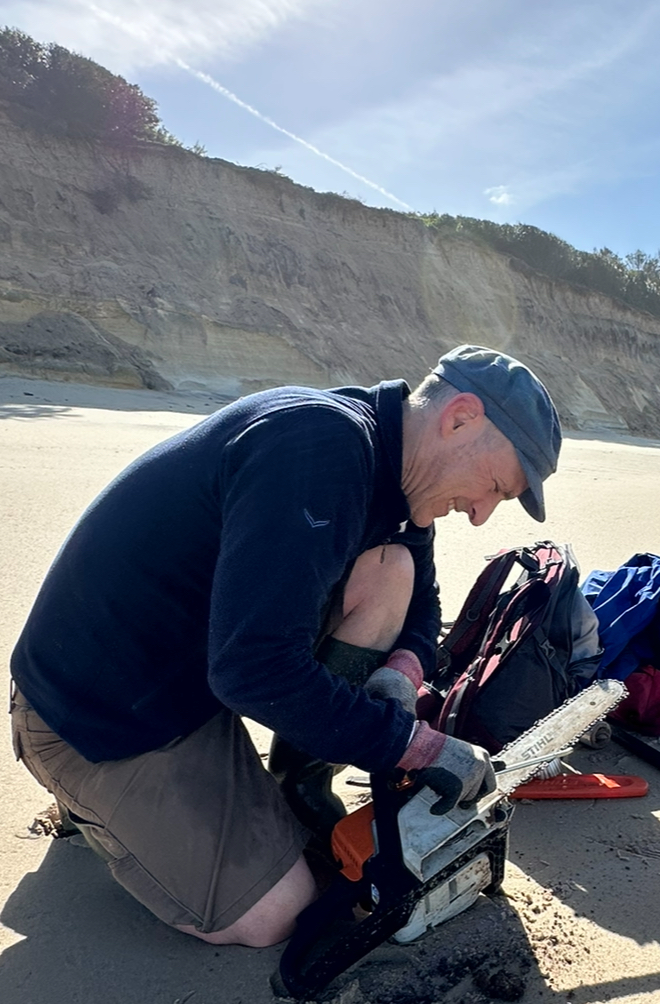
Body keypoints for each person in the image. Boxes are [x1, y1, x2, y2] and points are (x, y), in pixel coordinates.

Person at [10, 344, 561, 949]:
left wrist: (399, 675)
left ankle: (298, 781)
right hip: (98, 714)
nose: (481, 516)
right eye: (494, 487)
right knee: (276, 914)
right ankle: (93, 810)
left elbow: (422, 603)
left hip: (193, 678)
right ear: (459, 417)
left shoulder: (394, 472)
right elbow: (252, 669)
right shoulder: (318, 448)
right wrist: (411, 744)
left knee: (391, 569)